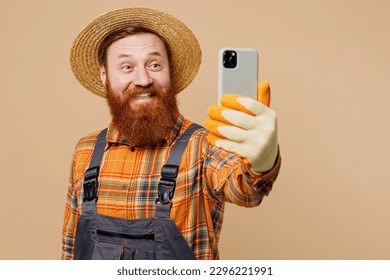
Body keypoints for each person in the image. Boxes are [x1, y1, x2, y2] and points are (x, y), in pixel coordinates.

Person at [61, 7, 281, 260]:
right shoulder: (85, 151)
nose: (143, 79)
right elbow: (69, 252)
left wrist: (264, 159)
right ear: (105, 75)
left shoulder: (203, 146)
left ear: (170, 71)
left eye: (155, 64)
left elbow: (246, 191)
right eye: (126, 67)